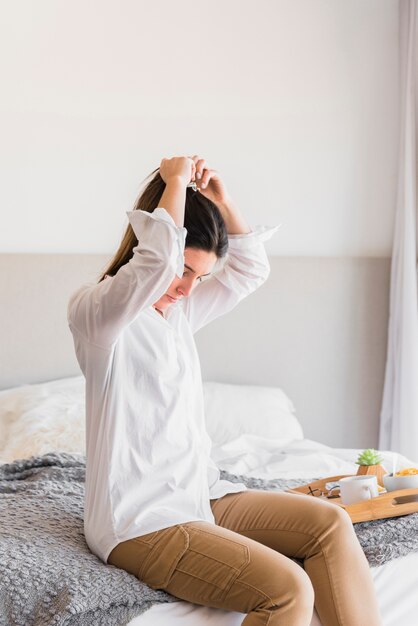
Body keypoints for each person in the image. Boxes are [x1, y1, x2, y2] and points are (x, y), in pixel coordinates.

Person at [68, 155, 381, 626]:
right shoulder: (100, 314)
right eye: (185, 271)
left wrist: (222, 201)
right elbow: (155, 262)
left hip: (200, 493)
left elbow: (249, 270)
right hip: (141, 520)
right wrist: (174, 181)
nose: (189, 289)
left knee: (331, 525)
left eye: (202, 277)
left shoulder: (177, 315)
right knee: (287, 590)